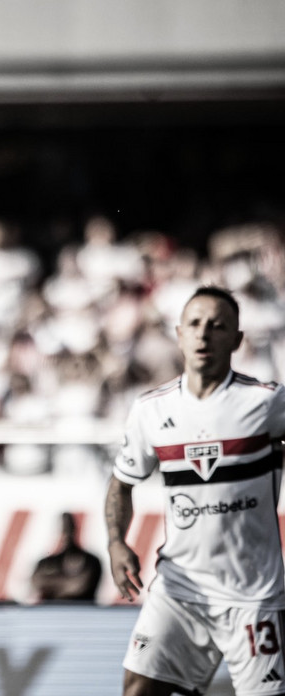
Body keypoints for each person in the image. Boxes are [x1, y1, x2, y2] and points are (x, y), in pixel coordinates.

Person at [105, 286, 285, 696]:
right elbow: (121, 483)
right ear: (179, 332)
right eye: (195, 324)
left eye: (218, 327)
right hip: (179, 589)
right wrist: (117, 542)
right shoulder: (151, 410)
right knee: (137, 689)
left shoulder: (266, 402)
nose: (205, 335)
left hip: (252, 596)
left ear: (237, 340)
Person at [31, 511, 103, 603]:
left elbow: (80, 586)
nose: (66, 534)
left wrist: (52, 586)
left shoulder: (91, 561)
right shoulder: (44, 563)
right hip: (51, 612)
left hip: (82, 611)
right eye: (63, 529)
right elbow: (37, 583)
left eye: (69, 529)